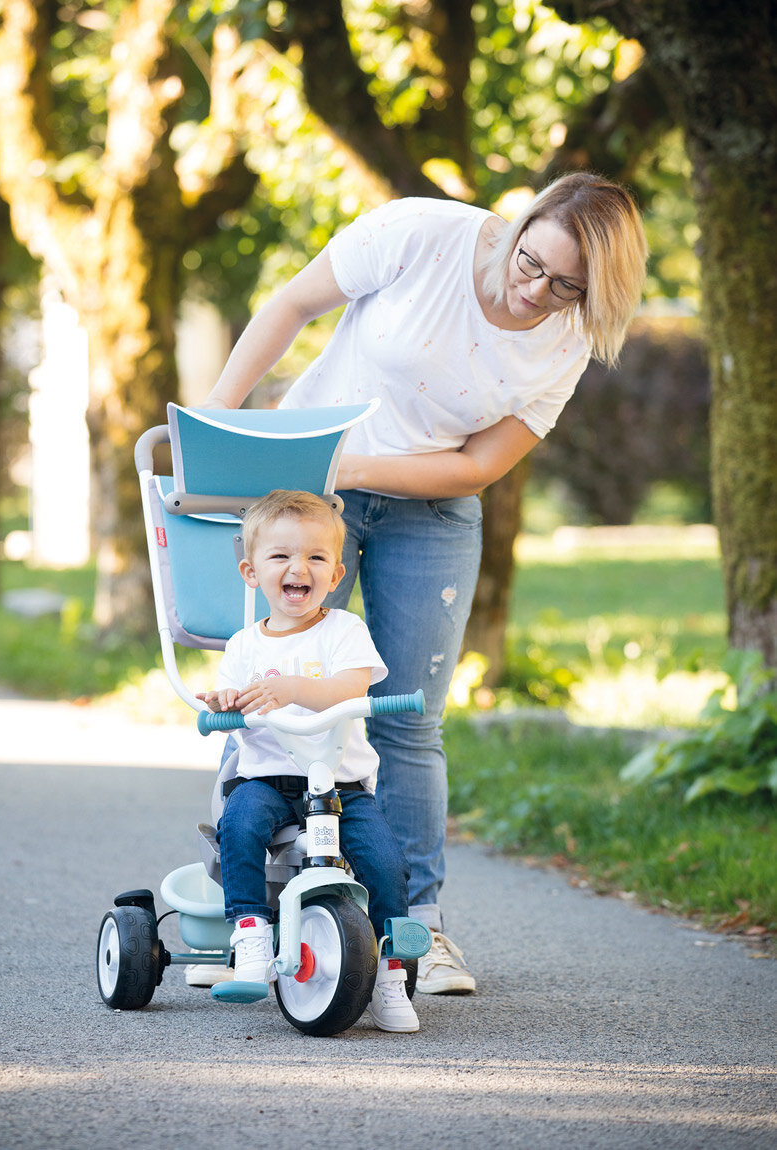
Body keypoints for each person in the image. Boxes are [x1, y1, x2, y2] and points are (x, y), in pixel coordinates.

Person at [200, 172, 649, 995]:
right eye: (531, 263)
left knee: (406, 718)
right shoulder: (419, 233)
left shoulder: (567, 340)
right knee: (270, 684)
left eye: (567, 288)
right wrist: (220, 424)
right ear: (523, 221)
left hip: (430, 509)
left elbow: (479, 464)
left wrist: (356, 464)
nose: (535, 293)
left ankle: (421, 929)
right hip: (308, 498)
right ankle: (251, 907)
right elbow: (293, 305)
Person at [196, 489, 419, 1033]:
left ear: (337, 572)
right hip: (268, 779)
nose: (299, 568)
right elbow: (231, 697)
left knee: (386, 862)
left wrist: (292, 686)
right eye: (280, 557)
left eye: (316, 558)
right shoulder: (244, 646)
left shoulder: (345, 632)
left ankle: (390, 975)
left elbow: (351, 687)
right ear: (252, 572)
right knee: (240, 824)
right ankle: (250, 933)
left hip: (341, 785)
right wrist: (224, 702)